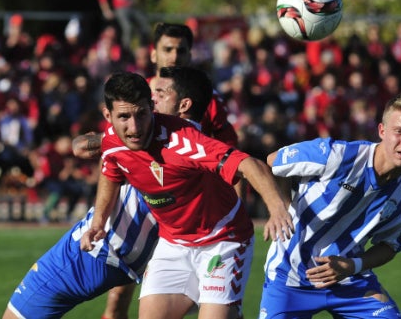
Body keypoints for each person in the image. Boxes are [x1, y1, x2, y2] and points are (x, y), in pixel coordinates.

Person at [3, 66, 214, 319]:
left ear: (183, 105)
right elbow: (96, 156)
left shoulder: (157, 140)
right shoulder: (203, 146)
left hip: (96, 249)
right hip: (131, 259)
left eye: (160, 93)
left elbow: (82, 147)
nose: (154, 100)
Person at [80, 71, 293, 319]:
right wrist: (98, 223)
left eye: (142, 114)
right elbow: (111, 172)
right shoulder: (111, 140)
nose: (134, 127)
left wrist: (277, 208)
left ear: (152, 107)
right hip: (173, 244)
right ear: (108, 116)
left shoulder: (183, 140)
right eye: (124, 117)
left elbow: (248, 164)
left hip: (223, 240)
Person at [259, 90, 401, 318]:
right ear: (382, 131)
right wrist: (279, 207)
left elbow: (390, 245)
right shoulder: (337, 155)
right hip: (289, 277)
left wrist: (351, 267)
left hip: (350, 283)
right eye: (399, 131)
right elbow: (273, 162)